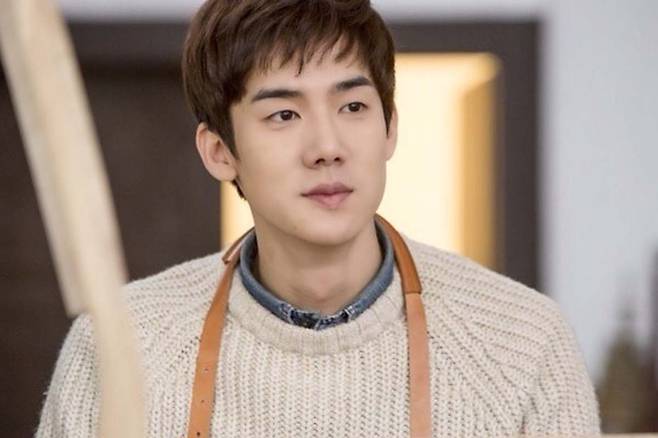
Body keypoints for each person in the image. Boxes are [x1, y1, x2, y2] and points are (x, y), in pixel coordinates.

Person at [36, 0, 601, 436]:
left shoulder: (523, 343)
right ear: (219, 152)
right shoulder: (118, 350)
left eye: (353, 106)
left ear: (390, 128)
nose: (327, 147)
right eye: (284, 114)